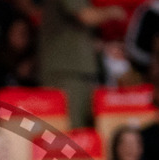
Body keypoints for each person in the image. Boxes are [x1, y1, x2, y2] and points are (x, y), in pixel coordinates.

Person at [39, 0, 125, 128]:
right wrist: (112, 11)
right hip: (66, 73)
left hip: (78, 72)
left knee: (84, 128)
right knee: (70, 129)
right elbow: (85, 16)